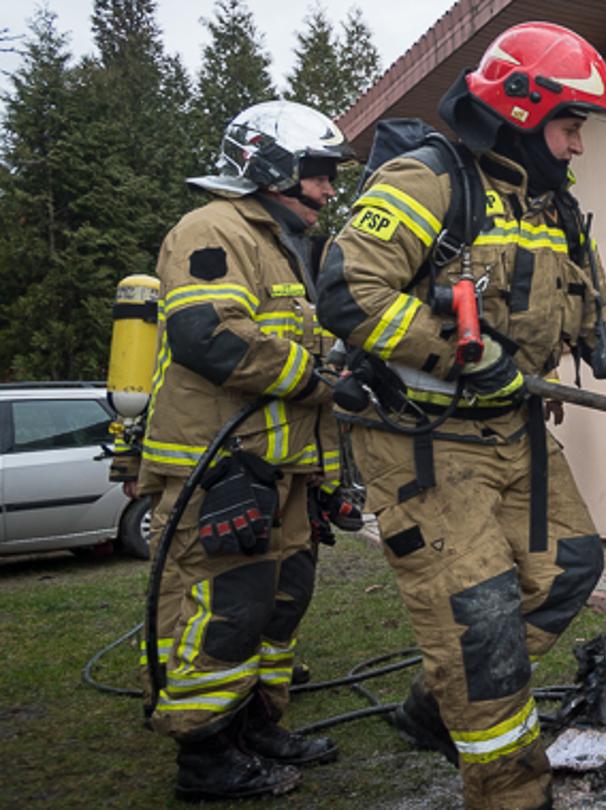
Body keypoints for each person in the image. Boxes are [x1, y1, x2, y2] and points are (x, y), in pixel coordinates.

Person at [316, 21, 606, 809]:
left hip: (514, 434)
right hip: (423, 442)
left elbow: (604, 329)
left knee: (569, 569)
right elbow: (348, 291)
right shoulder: (429, 181)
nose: (578, 144)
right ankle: (511, 791)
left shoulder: (559, 214)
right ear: (521, 107)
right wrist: (464, 353)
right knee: (482, 624)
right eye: (571, 124)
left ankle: (434, 705)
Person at [139, 99, 361, 800]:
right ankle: (204, 753)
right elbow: (209, 337)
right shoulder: (210, 229)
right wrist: (320, 382)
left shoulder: (284, 244)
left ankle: (257, 723)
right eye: (318, 173)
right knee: (226, 606)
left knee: (281, 603)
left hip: (281, 470)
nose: (328, 189)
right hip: (218, 467)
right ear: (270, 168)